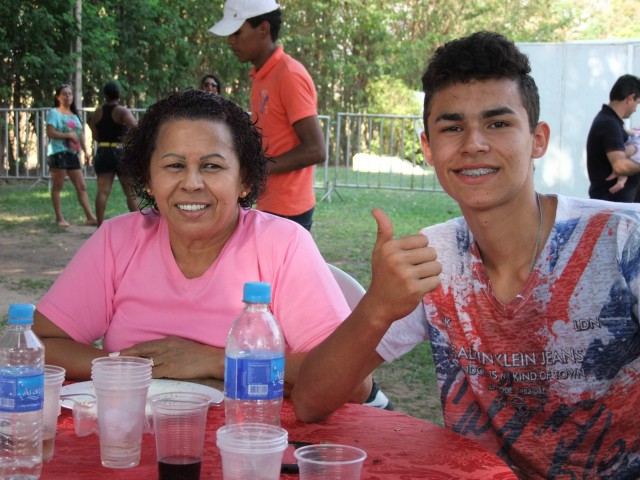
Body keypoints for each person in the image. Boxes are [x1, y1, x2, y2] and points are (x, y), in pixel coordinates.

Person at [292, 31, 640, 479]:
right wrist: (377, 306)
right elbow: (312, 400)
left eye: (498, 123)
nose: (474, 143)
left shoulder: (622, 240)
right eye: (452, 127)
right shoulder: (433, 259)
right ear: (428, 147)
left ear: (537, 139)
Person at [33, 89, 355, 401]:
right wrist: (129, 368)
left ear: (244, 180)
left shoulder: (282, 245)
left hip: (249, 440)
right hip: (135, 441)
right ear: (148, 179)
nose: (191, 183)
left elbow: (351, 380)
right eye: (174, 166)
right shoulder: (118, 240)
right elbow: (38, 342)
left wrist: (217, 361)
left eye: (211, 166)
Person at [209, 0, 326, 231]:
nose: (230, 40)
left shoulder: (289, 75)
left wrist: (256, 167)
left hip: (289, 208)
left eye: (236, 32)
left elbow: (316, 149)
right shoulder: (262, 75)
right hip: (269, 201)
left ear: (263, 29)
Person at [45, 84, 97, 227]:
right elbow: (50, 132)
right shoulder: (54, 113)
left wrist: (86, 152)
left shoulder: (75, 115)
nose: (68, 96)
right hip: (58, 153)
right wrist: (67, 135)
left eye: (70, 94)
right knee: (58, 186)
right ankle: (59, 217)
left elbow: (79, 135)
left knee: (81, 186)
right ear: (58, 97)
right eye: (64, 94)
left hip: (73, 154)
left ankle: (90, 216)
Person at [88, 81, 138, 226]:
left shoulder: (98, 112)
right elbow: (136, 127)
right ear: (119, 94)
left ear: (105, 96)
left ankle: (99, 225)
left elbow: (95, 135)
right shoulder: (122, 111)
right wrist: (126, 138)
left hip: (104, 151)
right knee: (130, 192)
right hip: (120, 151)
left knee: (103, 191)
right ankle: (138, 226)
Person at [586, 74, 640, 202]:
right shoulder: (608, 124)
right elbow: (620, 165)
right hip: (611, 209)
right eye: (637, 103)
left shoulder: (614, 123)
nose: (636, 110)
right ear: (630, 98)